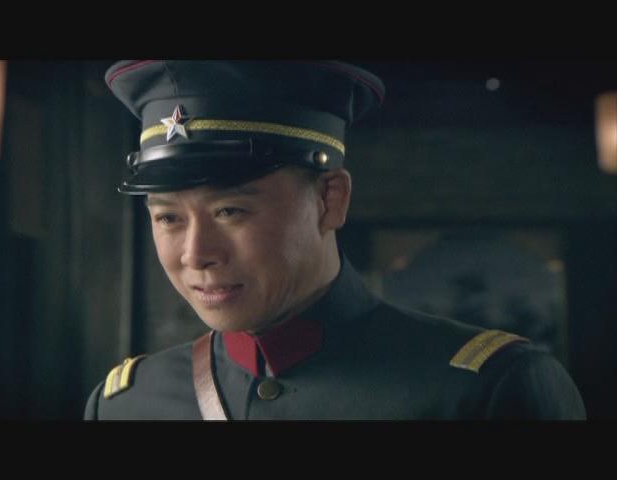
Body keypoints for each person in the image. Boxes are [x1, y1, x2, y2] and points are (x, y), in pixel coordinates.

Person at [84, 60, 586, 420]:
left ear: (330, 200)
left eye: (230, 211)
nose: (196, 254)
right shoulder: (125, 405)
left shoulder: (489, 391)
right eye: (168, 218)